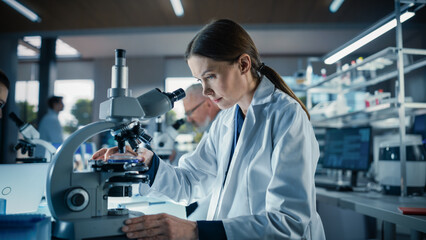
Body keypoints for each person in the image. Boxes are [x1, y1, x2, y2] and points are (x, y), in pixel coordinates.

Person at [93, 19, 325, 239]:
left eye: (210, 76)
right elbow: (192, 180)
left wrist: (195, 232)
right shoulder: (225, 121)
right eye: (199, 80)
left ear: (243, 64)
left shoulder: (287, 115)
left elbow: (289, 223)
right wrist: (146, 164)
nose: (205, 91)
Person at [183, 83, 221, 220]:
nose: (188, 119)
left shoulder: (222, 129)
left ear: (208, 104)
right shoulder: (212, 129)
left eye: (190, 112)